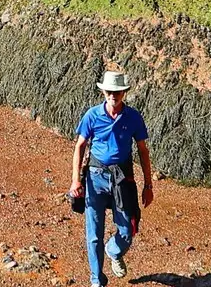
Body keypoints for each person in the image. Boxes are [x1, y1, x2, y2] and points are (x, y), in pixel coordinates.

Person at [69, 71, 155, 287]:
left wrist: (148, 185)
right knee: (94, 234)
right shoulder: (92, 115)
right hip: (95, 179)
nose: (112, 95)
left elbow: (143, 150)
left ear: (124, 92)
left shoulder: (134, 117)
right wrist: (75, 181)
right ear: (103, 92)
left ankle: (114, 250)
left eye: (117, 92)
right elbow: (79, 146)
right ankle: (97, 280)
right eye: (109, 91)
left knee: (128, 229)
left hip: (122, 179)